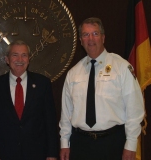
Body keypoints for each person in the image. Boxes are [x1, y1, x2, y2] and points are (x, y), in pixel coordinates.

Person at [59, 17, 144, 160]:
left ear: (103, 38)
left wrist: (131, 145)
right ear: (81, 40)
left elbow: (135, 110)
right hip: (80, 143)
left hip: (112, 143)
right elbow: (66, 112)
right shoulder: (73, 73)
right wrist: (64, 143)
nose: (90, 38)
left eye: (95, 34)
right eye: (86, 35)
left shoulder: (122, 67)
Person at [0, 40, 59, 160]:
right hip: (4, 154)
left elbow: (50, 122)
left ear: (29, 59)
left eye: (24, 55)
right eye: (15, 55)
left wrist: (52, 154)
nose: (20, 59)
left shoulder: (43, 84)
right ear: (7, 59)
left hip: (37, 154)